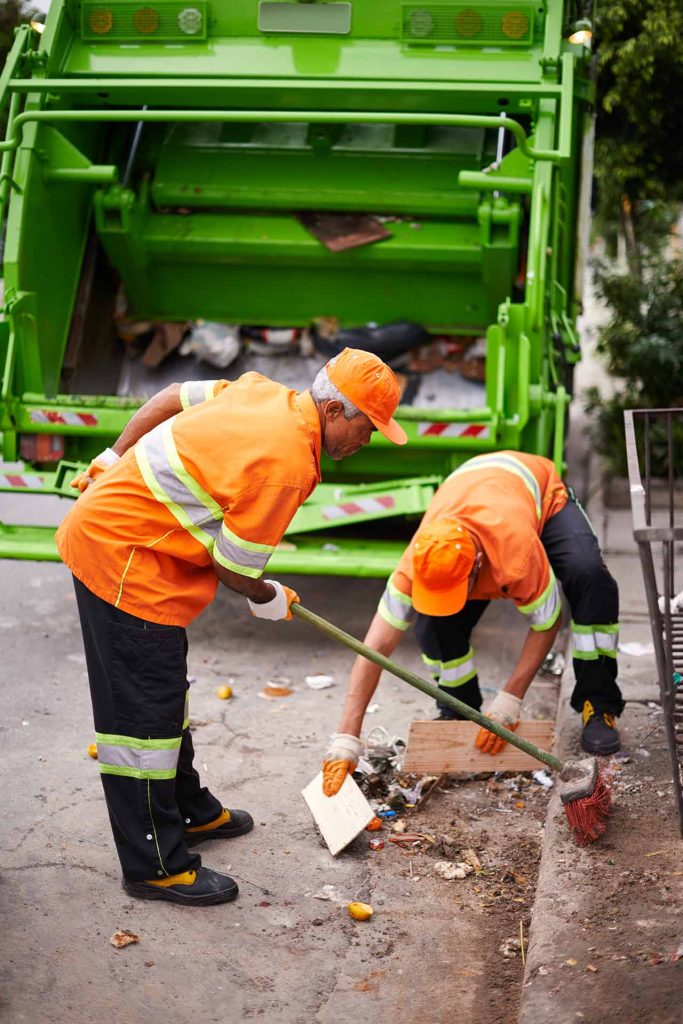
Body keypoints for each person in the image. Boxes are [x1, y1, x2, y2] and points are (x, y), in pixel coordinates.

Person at [56, 349, 407, 906]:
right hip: (123, 561)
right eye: (368, 426)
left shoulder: (262, 390)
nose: (367, 440)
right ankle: (155, 866)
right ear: (336, 409)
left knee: (165, 695)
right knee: (142, 722)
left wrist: (111, 456)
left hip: (131, 547)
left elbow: (170, 395)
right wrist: (268, 598)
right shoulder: (289, 464)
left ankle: (189, 811)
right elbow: (234, 568)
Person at [321, 450, 623, 797]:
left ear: (477, 565)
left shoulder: (517, 555)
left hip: (538, 491)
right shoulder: (413, 564)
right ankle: (459, 710)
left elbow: (547, 623)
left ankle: (598, 705)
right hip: (470, 488)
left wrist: (509, 701)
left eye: (454, 589)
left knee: (588, 574)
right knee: (432, 623)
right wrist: (347, 737)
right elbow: (373, 649)